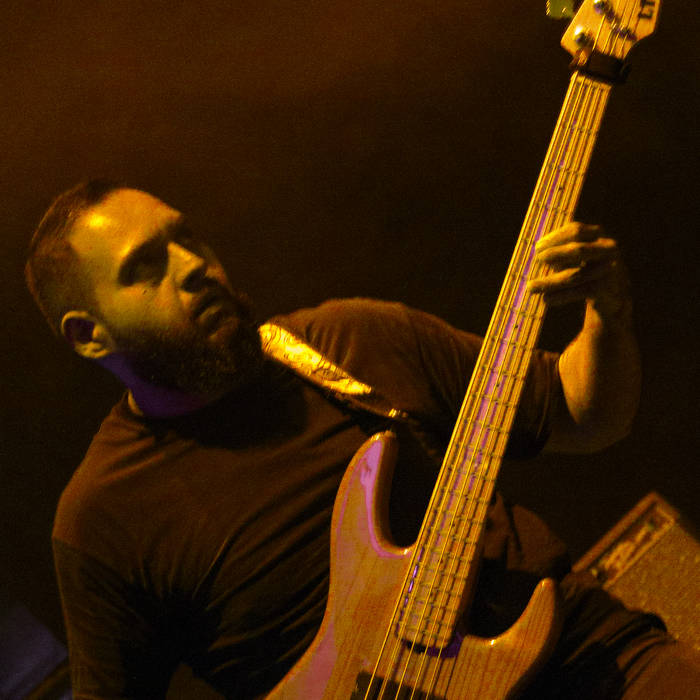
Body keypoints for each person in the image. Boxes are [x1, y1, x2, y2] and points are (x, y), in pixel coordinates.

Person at [24, 180, 697, 698]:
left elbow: (583, 415)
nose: (193, 264)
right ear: (90, 335)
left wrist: (608, 315)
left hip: (591, 663)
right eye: (145, 266)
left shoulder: (353, 338)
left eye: (185, 236)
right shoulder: (103, 520)